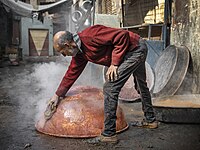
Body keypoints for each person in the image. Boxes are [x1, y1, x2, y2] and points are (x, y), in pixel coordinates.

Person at [44, 24, 158, 144]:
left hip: (135, 49)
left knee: (110, 87)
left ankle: (109, 134)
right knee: (141, 85)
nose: (64, 55)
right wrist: (57, 95)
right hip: (134, 49)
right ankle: (150, 120)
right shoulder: (80, 54)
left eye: (63, 52)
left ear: (68, 45)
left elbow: (122, 35)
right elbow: (71, 74)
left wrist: (114, 64)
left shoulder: (91, 35)